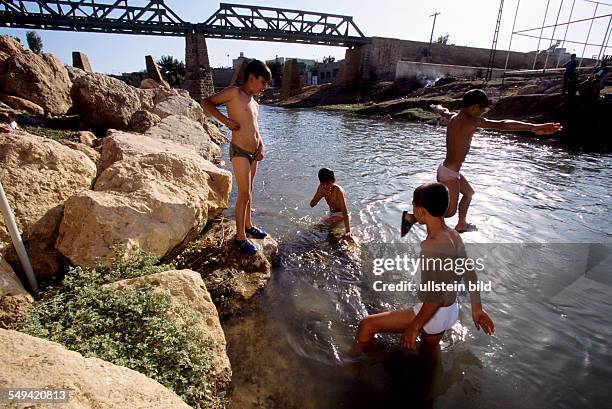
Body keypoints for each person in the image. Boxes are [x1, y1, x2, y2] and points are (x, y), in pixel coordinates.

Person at [355, 183, 494, 352]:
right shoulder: (453, 235)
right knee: (427, 352)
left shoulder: (432, 245)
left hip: (433, 313)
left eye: (414, 206)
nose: (412, 211)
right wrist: (477, 308)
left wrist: (414, 326)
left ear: (421, 211)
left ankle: (358, 368)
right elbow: (469, 272)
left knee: (367, 324)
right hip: (450, 311)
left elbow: (435, 295)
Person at [402, 89, 562, 235]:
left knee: (469, 193)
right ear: (475, 107)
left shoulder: (454, 118)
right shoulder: (471, 122)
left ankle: (461, 225)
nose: (482, 115)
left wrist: (436, 107)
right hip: (449, 174)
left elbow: (444, 112)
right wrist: (532, 127)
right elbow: (502, 125)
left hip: (447, 169)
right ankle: (411, 217)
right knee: (448, 212)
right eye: (482, 111)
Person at [202, 59, 271, 254]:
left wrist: (262, 145)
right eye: (263, 82)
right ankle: (240, 237)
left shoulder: (255, 103)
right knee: (244, 193)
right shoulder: (234, 93)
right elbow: (206, 102)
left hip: (254, 153)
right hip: (239, 151)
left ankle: (248, 226)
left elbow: (255, 129)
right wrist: (225, 121)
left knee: (249, 191)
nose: (265, 87)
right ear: (251, 77)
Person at [310, 168, 351, 238]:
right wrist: (320, 194)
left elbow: (344, 212)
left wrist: (348, 231)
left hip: (341, 215)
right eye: (323, 184)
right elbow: (312, 204)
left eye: (328, 184)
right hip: (331, 214)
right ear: (320, 182)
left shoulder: (338, 190)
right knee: (317, 226)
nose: (326, 186)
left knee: (323, 225)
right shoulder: (321, 188)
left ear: (333, 181)